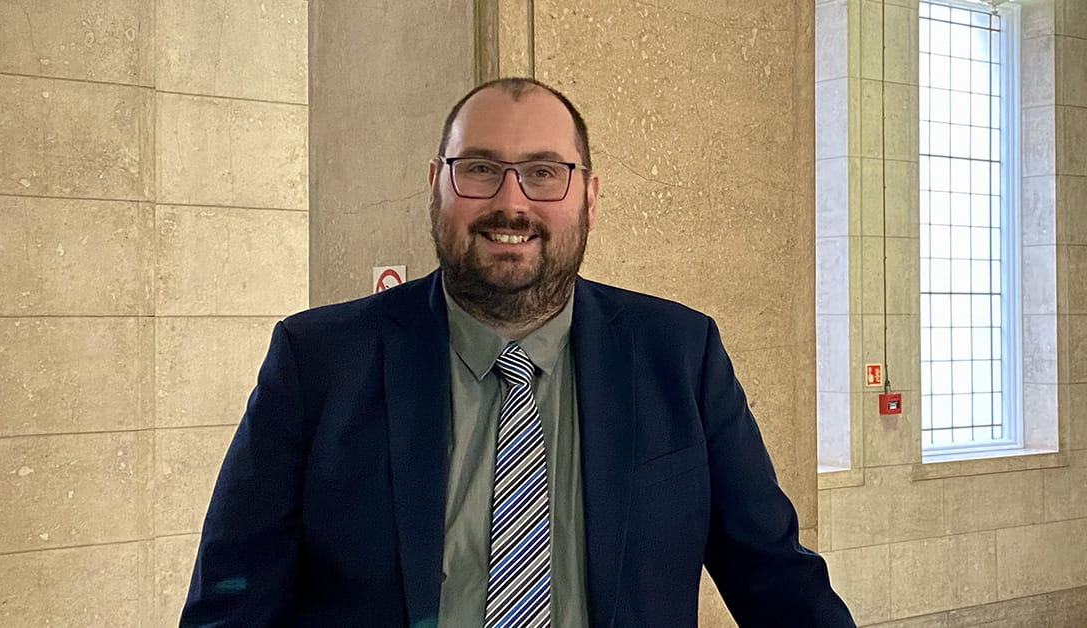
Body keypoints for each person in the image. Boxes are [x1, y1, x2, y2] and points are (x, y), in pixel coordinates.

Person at [181, 77, 855, 627]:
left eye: (543, 172)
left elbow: (776, 582)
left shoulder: (679, 355)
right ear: (436, 185)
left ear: (589, 196)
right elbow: (233, 599)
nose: (510, 203)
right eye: (479, 169)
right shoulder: (319, 361)